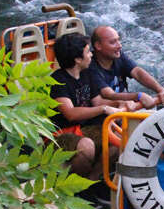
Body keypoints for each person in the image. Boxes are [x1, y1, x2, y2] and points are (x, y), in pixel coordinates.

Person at [50, 32, 123, 180]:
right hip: (60, 134)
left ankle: (92, 182)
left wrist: (121, 103)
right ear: (77, 59)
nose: (91, 55)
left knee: (116, 139)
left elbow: (98, 102)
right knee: (87, 146)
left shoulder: (87, 73)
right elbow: (70, 113)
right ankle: (74, 186)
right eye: (88, 51)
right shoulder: (58, 80)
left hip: (83, 129)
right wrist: (104, 109)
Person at [89, 26, 164, 108]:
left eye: (119, 40)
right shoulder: (90, 66)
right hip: (108, 114)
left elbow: (137, 72)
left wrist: (161, 90)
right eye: (112, 42)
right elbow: (109, 94)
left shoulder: (118, 55)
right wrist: (139, 96)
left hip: (126, 107)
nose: (119, 46)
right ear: (98, 46)